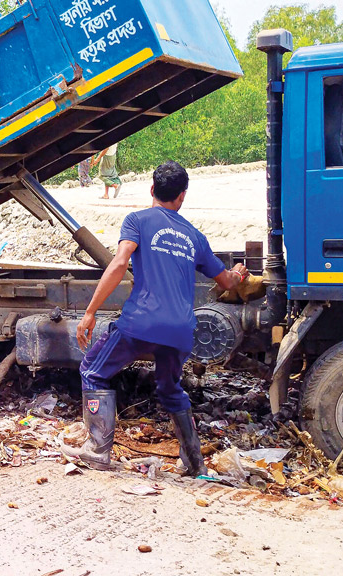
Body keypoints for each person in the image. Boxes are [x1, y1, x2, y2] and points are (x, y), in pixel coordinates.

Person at [62, 160, 249, 476]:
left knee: (93, 372)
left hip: (141, 323)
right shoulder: (194, 236)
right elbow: (227, 282)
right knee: (169, 388)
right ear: (182, 197)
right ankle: (194, 463)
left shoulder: (137, 220)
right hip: (180, 332)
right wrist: (239, 274)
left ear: (152, 189)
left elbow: (120, 263)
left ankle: (96, 450)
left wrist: (91, 312)